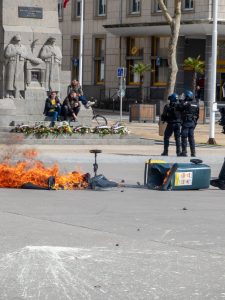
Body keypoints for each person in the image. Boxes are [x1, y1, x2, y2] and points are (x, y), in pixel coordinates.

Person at [4, 34, 28, 99]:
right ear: (14, 40)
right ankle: (10, 92)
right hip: (12, 63)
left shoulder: (23, 47)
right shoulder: (10, 46)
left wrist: (21, 53)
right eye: (17, 40)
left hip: (20, 64)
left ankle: (18, 92)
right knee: (11, 77)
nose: (18, 42)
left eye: (19, 40)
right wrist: (15, 52)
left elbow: (26, 55)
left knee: (20, 78)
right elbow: (7, 54)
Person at [180, 90, 199, 157]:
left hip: (186, 122)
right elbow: (197, 115)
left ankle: (184, 152)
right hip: (192, 122)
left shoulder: (186, 103)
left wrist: (181, 100)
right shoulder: (196, 103)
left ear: (187, 96)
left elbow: (180, 107)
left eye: (185, 96)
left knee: (184, 137)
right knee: (191, 138)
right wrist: (195, 123)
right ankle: (193, 153)